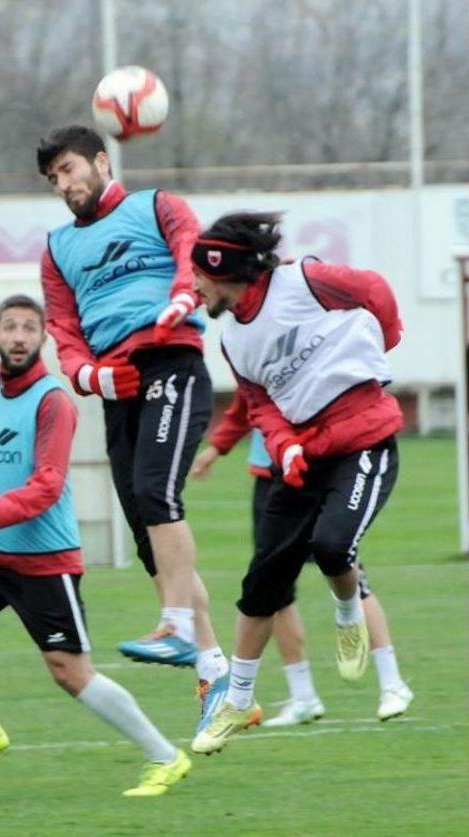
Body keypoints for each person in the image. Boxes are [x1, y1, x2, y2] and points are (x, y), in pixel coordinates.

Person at [0, 294, 191, 797]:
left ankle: (165, 756)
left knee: (72, 675)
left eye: (28, 328)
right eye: (9, 327)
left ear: (42, 339)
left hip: (46, 564)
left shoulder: (53, 400)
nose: (18, 336)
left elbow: (47, 486)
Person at [188, 211, 407, 755]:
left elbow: (374, 289)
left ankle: (347, 613)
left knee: (333, 546)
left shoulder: (302, 280)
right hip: (305, 455)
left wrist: (388, 338)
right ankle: (237, 699)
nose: (193, 289)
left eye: (197, 278)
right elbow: (259, 404)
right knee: (262, 581)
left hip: (366, 440)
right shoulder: (232, 341)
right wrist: (283, 443)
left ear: (222, 270)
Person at [36, 125, 229, 732]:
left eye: (69, 169)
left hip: (170, 362)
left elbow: (189, 253)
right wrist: (91, 377)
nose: (65, 185)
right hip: (116, 388)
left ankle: (175, 626)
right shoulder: (56, 247)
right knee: (149, 535)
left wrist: (180, 298)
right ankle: (219, 673)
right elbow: (64, 333)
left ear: (100, 160)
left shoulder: (156, 205)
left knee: (155, 494)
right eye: (53, 179)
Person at [192, 387, 413, 724]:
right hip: (271, 478)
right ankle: (303, 695)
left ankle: (392, 683)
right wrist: (217, 448)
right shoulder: (256, 349)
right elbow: (247, 403)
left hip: (319, 468)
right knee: (275, 591)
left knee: (346, 568)